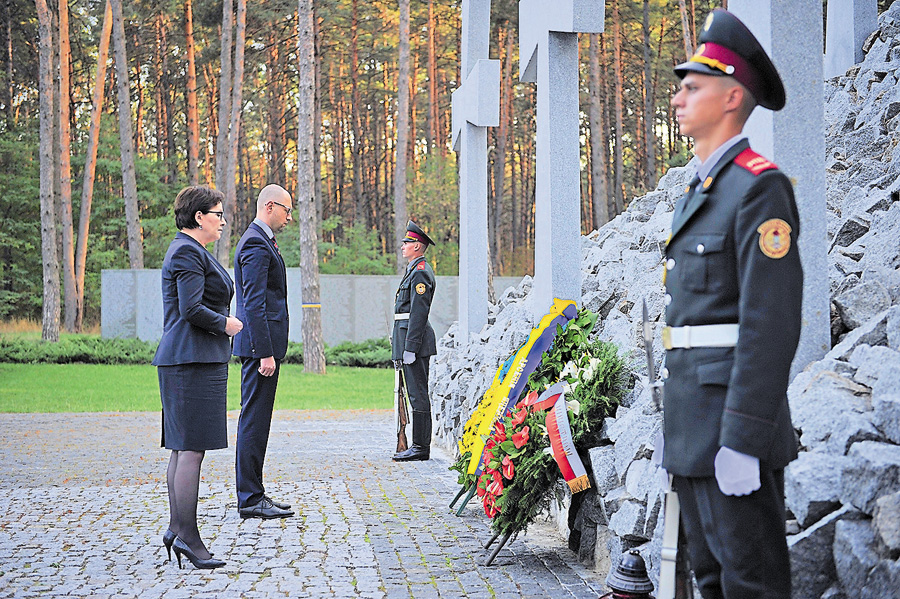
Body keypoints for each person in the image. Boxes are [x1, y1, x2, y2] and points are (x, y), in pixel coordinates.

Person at [661, 9, 803, 599]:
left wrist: (743, 439)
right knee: (713, 580)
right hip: (694, 423)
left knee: (754, 583)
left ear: (731, 97)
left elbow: (770, 325)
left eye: (692, 87)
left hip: (730, 426)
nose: (678, 99)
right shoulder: (700, 190)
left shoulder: (759, 187)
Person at [152, 186, 243, 570]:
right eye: (217, 213)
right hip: (192, 360)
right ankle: (188, 536)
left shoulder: (189, 250)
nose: (222, 221)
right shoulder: (187, 252)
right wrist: (227, 323)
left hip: (189, 360)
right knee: (190, 449)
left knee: (183, 448)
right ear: (198, 216)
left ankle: (177, 528)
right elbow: (191, 308)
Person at [233, 184, 295, 519]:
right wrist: (265, 353)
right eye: (287, 210)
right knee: (254, 420)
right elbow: (254, 304)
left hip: (263, 347)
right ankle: (250, 498)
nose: (289, 217)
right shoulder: (256, 243)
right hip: (260, 350)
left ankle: (254, 492)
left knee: (257, 420)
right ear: (270, 206)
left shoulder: (261, 240)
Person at [391, 221, 437, 462]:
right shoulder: (413, 269)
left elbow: (418, 314)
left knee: (418, 394)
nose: (403, 246)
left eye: (407, 243)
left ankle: (421, 446)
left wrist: (409, 347)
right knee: (414, 393)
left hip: (415, 344)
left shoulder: (420, 272)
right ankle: (418, 445)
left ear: (417, 246)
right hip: (408, 340)